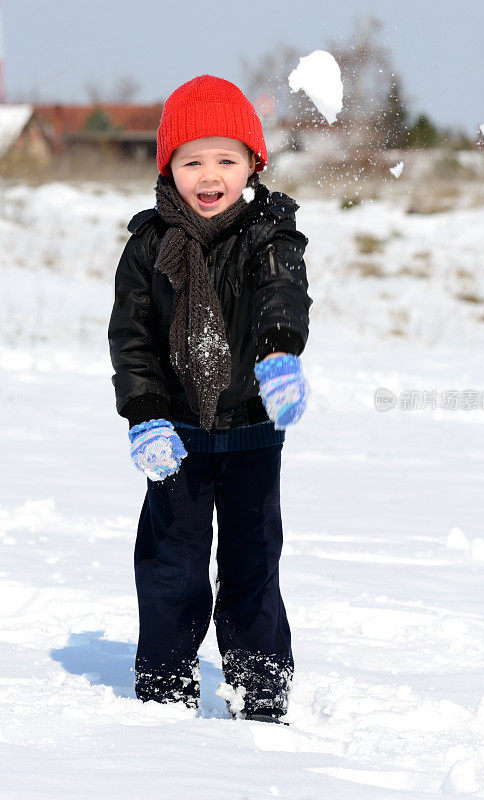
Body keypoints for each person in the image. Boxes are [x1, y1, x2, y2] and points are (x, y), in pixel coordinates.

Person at [108, 74, 312, 724]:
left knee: (253, 566)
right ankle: (165, 692)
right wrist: (143, 416)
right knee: (173, 566)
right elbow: (132, 338)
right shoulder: (149, 245)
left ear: (254, 163)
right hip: (178, 436)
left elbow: (282, 292)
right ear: (169, 166)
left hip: (252, 429)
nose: (209, 174)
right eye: (192, 160)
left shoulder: (269, 232)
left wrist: (279, 350)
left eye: (225, 159)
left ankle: (261, 693)